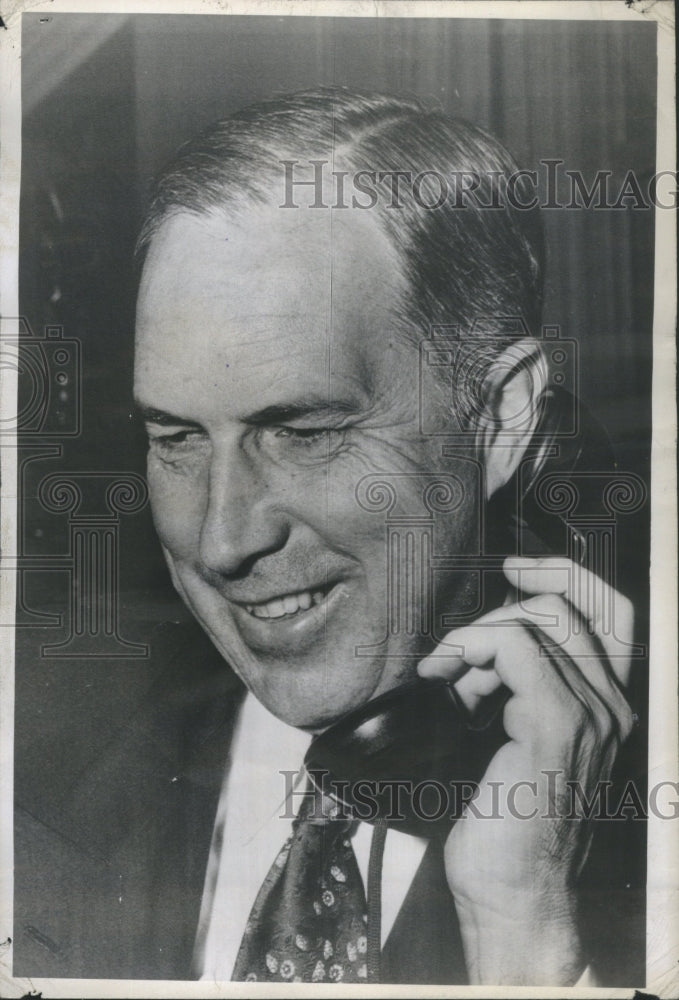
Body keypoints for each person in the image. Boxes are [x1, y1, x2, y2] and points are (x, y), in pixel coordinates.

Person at [14, 88, 641, 987]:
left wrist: (525, 940)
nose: (223, 540)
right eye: (177, 438)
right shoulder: (33, 763)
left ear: (500, 417)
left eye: (303, 433)